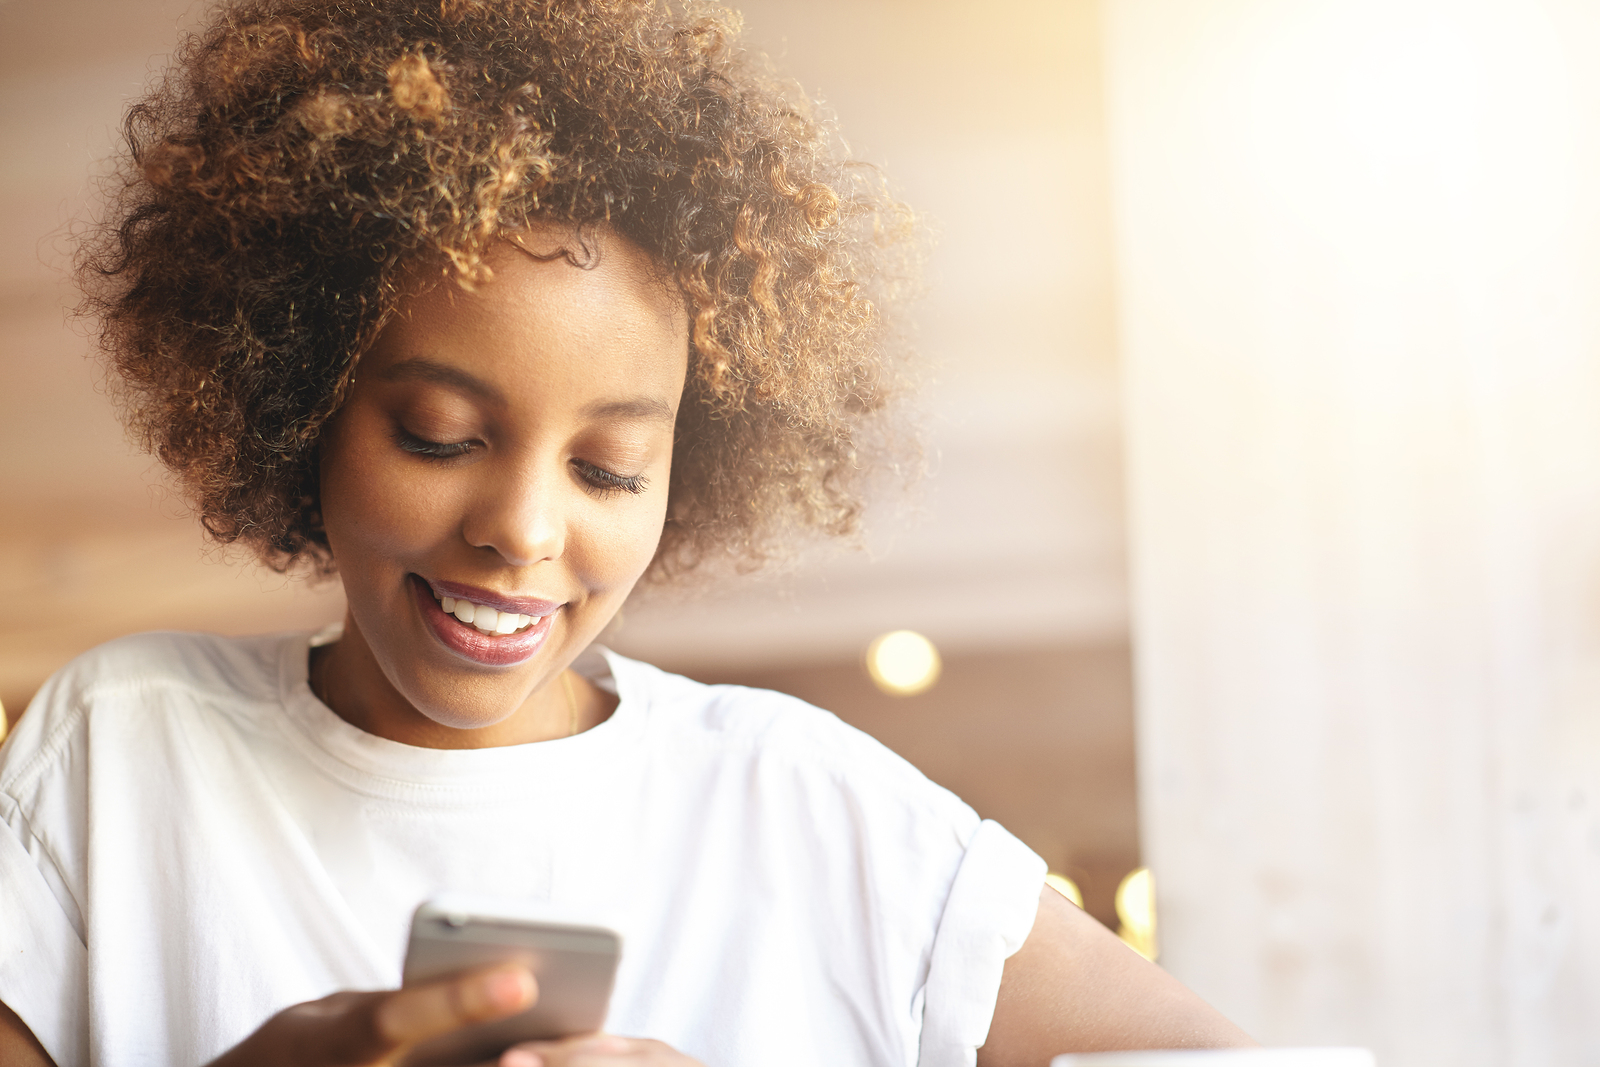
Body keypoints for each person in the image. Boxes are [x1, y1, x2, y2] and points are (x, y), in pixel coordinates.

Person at [0, 1, 1255, 1064]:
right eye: (439, 433)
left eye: (608, 467)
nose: (525, 530)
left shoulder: (810, 806)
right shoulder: (125, 745)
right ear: (303, 400)